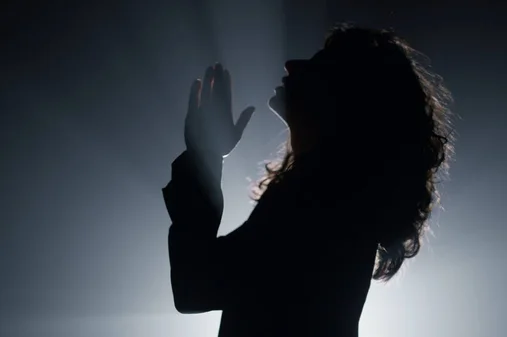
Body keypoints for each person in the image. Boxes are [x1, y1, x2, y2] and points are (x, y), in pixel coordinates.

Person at [162, 24, 454, 337]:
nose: (291, 65)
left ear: (345, 97)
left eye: (318, 66)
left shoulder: (321, 196)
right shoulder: (341, 197)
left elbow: (197, 284)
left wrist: (204, 153)